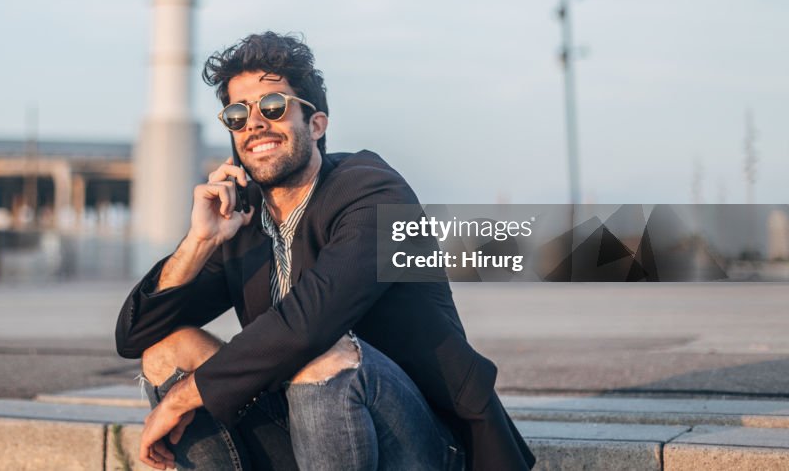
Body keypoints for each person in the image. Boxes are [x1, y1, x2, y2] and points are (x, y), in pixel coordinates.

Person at [115, 32, 535, 470]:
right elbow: (134, 336)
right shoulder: (243, 219)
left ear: (316, 125)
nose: (254, 124)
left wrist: (184, 396)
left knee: (324, 355)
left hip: (422, 441)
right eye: (238, 115)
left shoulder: (373, 191)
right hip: (306, 431)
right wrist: (200, 241)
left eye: (273, 107)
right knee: (167, 352)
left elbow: (308, 325)